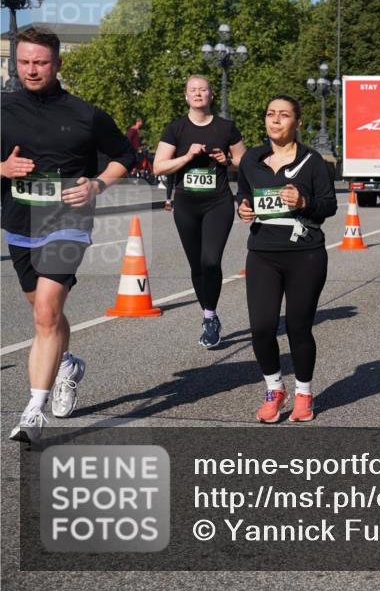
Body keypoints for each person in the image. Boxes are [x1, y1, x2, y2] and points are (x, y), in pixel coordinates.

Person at [2, 27, 135, 444]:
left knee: (45, 311)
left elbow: (126, 155)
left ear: (57, 64)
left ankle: (34, 411)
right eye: (24, 62)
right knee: (43, 312)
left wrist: (97, 185)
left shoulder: (85, 114)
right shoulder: (2, 108)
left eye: (40, 62)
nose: (31, 70)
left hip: (66, 220)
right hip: (20, 223)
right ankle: (65, 365)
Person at [236, 95, 338, 423]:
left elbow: (329, 206)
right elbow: (244, 193)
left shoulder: (313, 161)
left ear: (297, 122)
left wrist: (304, 201)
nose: (275, 120)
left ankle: (304, 394)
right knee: (262, 328)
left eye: (283, 115)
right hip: (263, 253)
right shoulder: (251, 159)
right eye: (270, 114)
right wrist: (244, 207)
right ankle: (274, 389)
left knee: (298, 327)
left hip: (305, 254)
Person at [153, 75, 247, 347]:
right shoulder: (176, 129)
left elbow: (245, 160)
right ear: (185, 96)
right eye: (192, 90)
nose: (197, 94)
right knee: (197, 265)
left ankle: (210, 316)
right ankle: (208, 314)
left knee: (211, 261)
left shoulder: (226, 127)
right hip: (186, 204)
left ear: (211, 95)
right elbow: (159, 166)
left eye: (203, 89)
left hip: (218, 202)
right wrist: (187, 157)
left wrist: (227, 160)